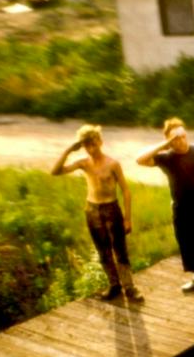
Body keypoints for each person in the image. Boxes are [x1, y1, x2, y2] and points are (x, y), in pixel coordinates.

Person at [51, 124, 144, 302]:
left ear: (100, 142)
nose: (90, 148)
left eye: (93, 144)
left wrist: (127, 218)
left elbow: (125, 190)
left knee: (120, 251)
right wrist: (70, 149)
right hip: (92, 210)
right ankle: (114, 285)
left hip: (111, 209)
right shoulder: (83, 163)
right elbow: (55, 172)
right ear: (83, 146)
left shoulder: (113, 164)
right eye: (86, 145)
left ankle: (130, 288)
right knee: (103, 251)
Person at [136, 117, 194, 292]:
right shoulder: (167, 158)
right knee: (187, 242)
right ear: (170, 141)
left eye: (183, 135)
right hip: (180, 209)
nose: (181, 140)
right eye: (176, 138)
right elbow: (140, 160)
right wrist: (164, 145)